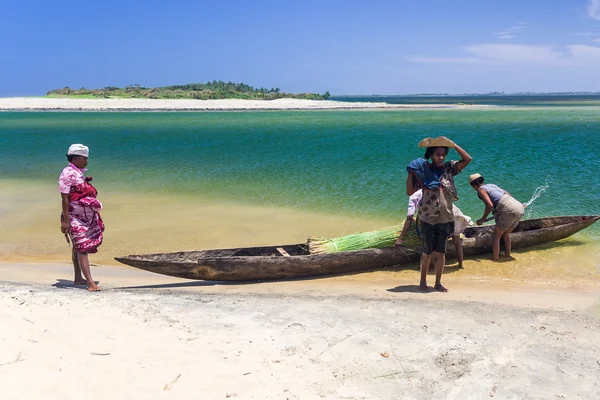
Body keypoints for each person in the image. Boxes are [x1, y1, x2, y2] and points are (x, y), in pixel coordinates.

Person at [405, 136, 472, 292]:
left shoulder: (449, 168)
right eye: (437, 154)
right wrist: (410, 173)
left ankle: (438, 283)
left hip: (445, 217)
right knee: (427, 252)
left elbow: (468, 159)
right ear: (431, 155)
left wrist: (453, 144)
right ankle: (422, 282)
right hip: (427, 218)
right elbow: (409, 191)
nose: (441, 157)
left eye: (443, 154)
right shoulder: (422, 171)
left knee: (441, 253)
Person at [59, 144, 104, 291]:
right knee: (82, 247)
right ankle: (90, 283)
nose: (87, 161)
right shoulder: (67, 173)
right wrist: (66, 220)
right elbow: (65, 198)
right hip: (73, 216)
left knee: (76, 248)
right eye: (84, 158)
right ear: (75, 158)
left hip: (83, 216)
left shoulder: (78, 173)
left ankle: (78, 278)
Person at [395, 189, 471, 269]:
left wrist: (400, 238)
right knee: (456, 240)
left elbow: (410, 218)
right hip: (453, 212)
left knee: (433, 240)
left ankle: (431, 266)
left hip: (440, 215)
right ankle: (460, 265)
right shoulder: (434, 189)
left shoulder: (414, 195)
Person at [468, 173, 525, 261]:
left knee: (496, 236)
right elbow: (508, 194)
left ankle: (495, 258)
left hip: (509, 209)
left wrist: (482, 220)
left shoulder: (481, 190)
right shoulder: (492, 185)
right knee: (505, 234)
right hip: (519, 206)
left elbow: (489, 205)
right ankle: (507, 255)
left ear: (473, 185)